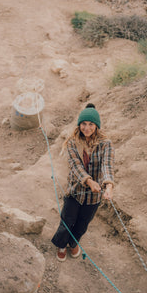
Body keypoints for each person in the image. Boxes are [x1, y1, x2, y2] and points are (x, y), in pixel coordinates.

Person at [51, 103, 115, 262]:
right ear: (79, 125)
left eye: (91, 124)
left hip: (94, 196)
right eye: (84, 124)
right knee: (67, 220)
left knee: (83, 223)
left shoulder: (106, 144)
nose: (87, 128)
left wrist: (108, 185)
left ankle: (73, 243)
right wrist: (89, 181)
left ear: (96, 126)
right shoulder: (73, 142)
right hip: (75, 191)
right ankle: (61, 245)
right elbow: (75, 165)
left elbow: (107, 164)